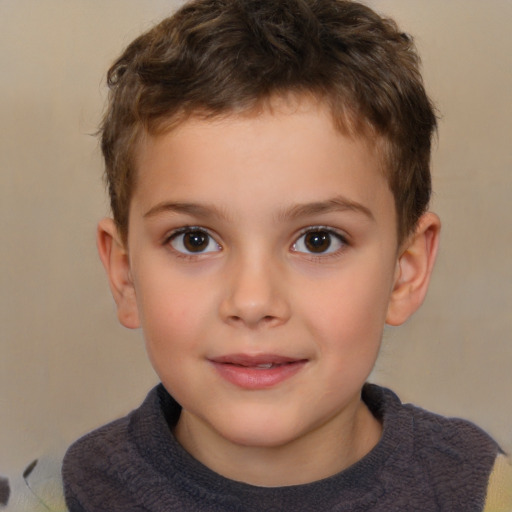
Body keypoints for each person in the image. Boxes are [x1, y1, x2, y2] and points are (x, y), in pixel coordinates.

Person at [62, 0, 512, 510]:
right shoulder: (53, 499)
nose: (253, 302)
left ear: (405, 271)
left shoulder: (488, 494)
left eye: (319, 240)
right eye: (194, 240)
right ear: (124, 274)